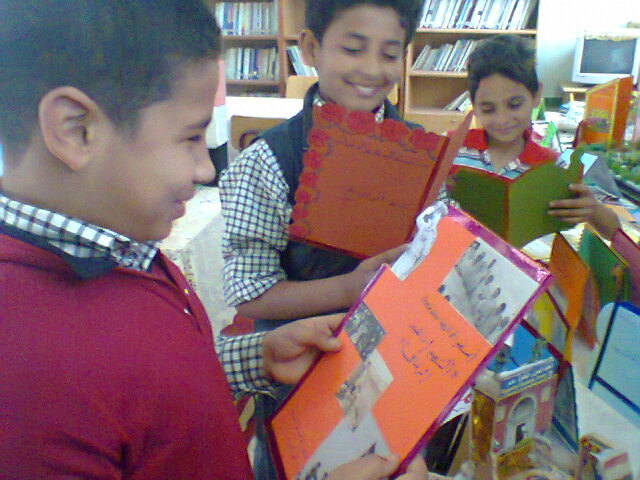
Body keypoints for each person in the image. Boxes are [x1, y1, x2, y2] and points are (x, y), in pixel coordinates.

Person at [0, 2, 428, 479]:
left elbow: (154, 383)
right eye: (190, 138)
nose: (207, 169)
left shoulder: (125, 250)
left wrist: (254, 356)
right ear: (75, 130)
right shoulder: (26, 371)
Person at [219, 0, 422, 478]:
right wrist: (351, 288)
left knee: (393, 462)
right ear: (310, 47)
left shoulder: (420, 150)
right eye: (353, 48)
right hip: (301, 371)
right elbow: (251, 295)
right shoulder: (269, 160)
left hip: (397, 365)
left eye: (390, 53)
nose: (371, 69)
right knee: (294, 465)